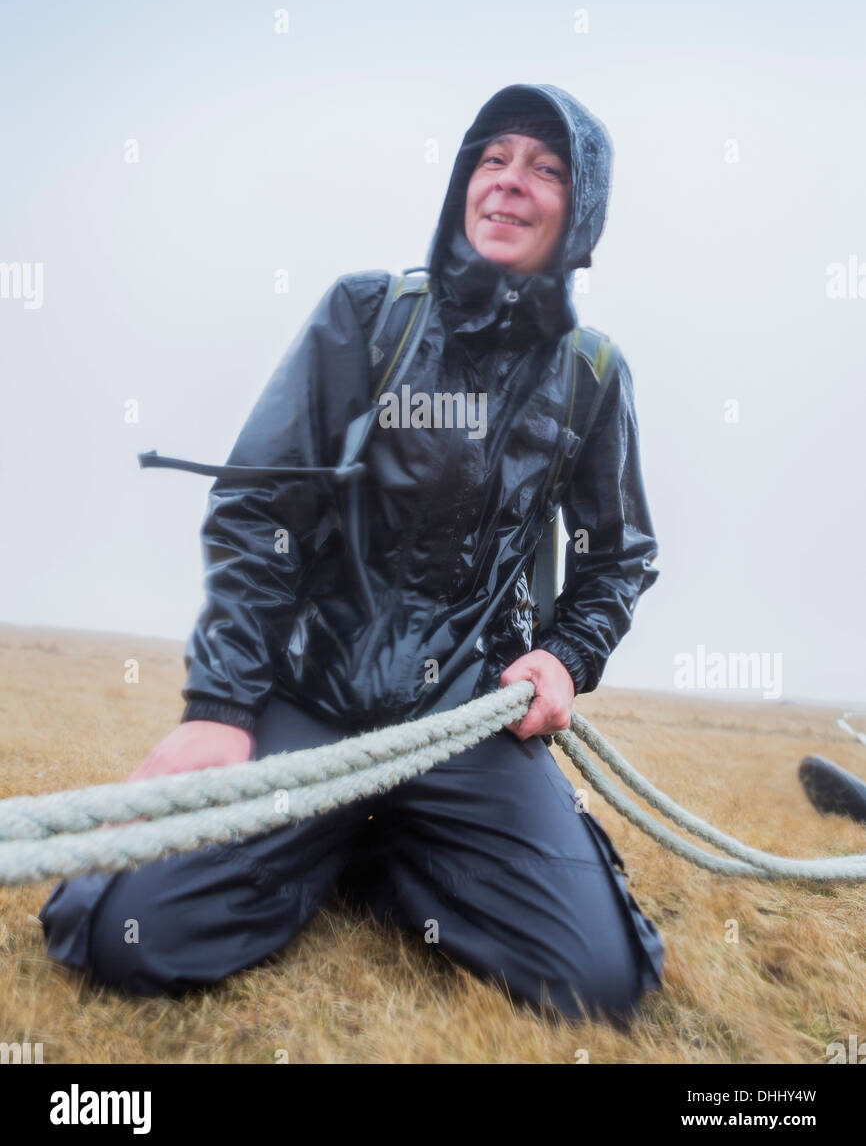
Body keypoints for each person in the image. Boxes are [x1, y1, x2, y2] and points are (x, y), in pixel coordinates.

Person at [39, 82, 664, 1028]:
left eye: (543, 169)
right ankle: (329, 829)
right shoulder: (368, 317)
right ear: (463, 183)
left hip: (466, 722)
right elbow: (259, 512)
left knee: (598, 985)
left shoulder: (593, 376)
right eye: (490, 160)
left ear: (583, 216)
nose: (507, 184)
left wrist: (566, 657)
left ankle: (382, 851)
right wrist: (220, 708)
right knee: (129, 937)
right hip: (314, 701)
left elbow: (618, 559)